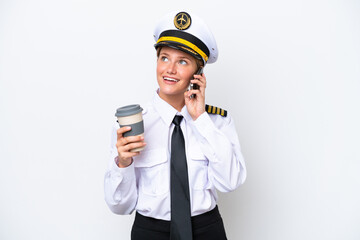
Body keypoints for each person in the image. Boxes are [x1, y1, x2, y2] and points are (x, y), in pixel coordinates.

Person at [104, 11, 246, 240]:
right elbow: (120, 206)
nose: (170, 69)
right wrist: (123, 162)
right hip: (150, 233)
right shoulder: (131, 125)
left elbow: (230, 182)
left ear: (198, 72)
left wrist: (201, 119)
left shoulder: (217, 122)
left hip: (206, 231)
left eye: (182, 61)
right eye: (164, 58)